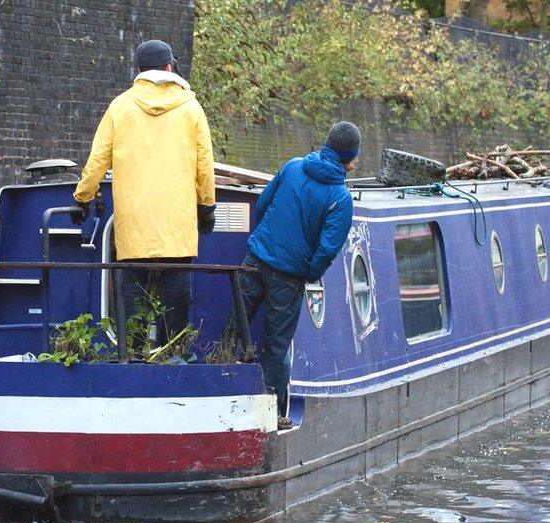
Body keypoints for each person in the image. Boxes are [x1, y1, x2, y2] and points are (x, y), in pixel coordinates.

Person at [72, 39, 216, 344]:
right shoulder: (191, 108)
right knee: (177, 298)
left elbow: (97, 160)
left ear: (139, 70)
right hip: (177, 225)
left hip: (134, 224)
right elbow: (205, 166)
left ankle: (133, 357)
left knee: (132, 297)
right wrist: (206, 208)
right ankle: (172, 354)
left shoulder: (120, 107)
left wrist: (82, 198)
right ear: (169, 67)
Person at [230, 121, 358, 425]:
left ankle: (223, 396)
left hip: (255, 259)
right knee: (276, 346)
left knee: (236, 328)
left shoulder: (293, 167)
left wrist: (265, 240)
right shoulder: (340, 199)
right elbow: (327, 248)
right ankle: (270, 414)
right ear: (351, 159)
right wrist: (308, 272)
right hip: (289, 277)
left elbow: (262, 204)